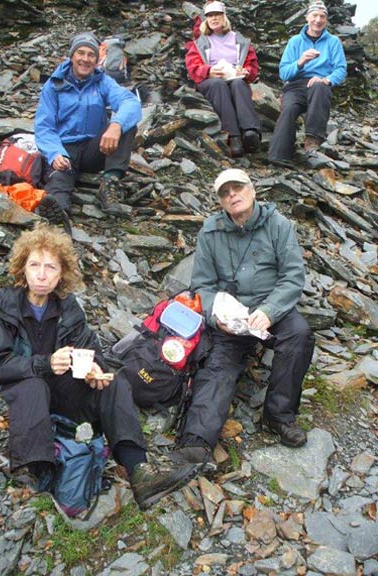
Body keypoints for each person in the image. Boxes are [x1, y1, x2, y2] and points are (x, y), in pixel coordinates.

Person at [0, 224, 196, 510]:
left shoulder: (67, 307)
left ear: (61, 273)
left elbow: (89, 347)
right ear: (22, 268)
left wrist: (96, 370)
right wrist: (45, 363)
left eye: (51, 267)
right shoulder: (3, 305)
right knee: (33, 385)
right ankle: (37, 471)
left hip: (63, 390)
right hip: (24, 386)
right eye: (34, 265)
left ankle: (139, 471)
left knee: (115, 381)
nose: (42, 274)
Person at [169, 169, 315, 466]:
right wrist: (215, 315)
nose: (232, 195)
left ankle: (278, 416)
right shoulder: (210, 231)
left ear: (252, 190)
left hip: (271, 307)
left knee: (299, 335)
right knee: (218, 363)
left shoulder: (279, 225)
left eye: (237, 188)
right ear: (221, 201)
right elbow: (203, 286)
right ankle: (196, 439)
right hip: (230, 313)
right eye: (225, 192)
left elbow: (292, 277)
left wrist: (269, 311)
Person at [34, 31, 142, 224]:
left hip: (95, 148)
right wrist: (54, 154)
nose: (85, 59)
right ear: (72, 56)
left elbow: (131, 103)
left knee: (126, 125)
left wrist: (116, 125)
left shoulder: (103, 82)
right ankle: (58, 220)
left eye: (91, 55)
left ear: (97, 59)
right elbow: (44, 127)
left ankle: (109, 184)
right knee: (58, 185)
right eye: (80, 53)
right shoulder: (53, 85)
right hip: (64, 150)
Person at [268, 0, 346, 167]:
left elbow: (340, 69)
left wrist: (327, 79)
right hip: (295, 86)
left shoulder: (333, 42)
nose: (318, 20)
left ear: (326, 20)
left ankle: (312, 141)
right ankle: (278, 156)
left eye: (322, 16)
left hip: (319, 86)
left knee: (319, 86)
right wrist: (301, 61)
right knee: (288, 110)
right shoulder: (295, 41)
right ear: (307, 18)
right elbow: (283, 73)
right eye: (314, 15)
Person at [185, 1, 261, 158]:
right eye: (209, 16)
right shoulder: (201, 42)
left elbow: (252, 65)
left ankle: (250, 132)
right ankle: (233, 137)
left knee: (239, 84)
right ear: (206, 20)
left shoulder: (238, 39)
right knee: (219, 85)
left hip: (234, 77)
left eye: (217, 15)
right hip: (210, 80)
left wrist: (246, 71)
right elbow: (193, 66)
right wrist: (209, 71)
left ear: (224, 17)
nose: (213, 19)